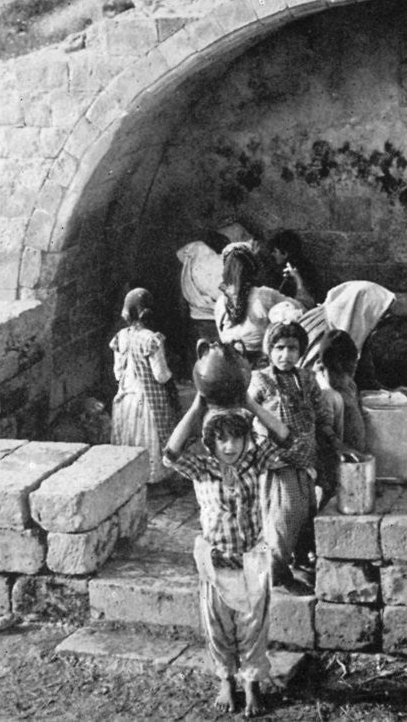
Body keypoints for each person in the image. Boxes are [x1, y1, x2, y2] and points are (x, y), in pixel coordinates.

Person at [163, 392, 291, 718]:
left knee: (253, 625)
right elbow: (170, 453)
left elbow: (284, 437)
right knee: (216, 626)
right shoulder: (202, 470)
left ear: (247, 440)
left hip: (251, 558)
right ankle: (225, 679)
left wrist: (249, 404)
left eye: (237, 438)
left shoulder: (254, 463)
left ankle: (251, 685)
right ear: (210, 443)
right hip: (215, 560)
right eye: (222, 440)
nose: (230, 446)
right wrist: (197, 406)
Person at [249, 318, 355, 592]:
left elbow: (321, 417)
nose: (286, 355)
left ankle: (295, 564)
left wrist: (336, 444)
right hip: (277, 460)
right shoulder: (260, 381)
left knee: (305, 510)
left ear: (301, 351)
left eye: (293, 348)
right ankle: (276, 573)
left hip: (305, 456)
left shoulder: (306, 379)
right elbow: (247, 417)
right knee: (284, 514)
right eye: (280, 348)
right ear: (269, 349)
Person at [109, 288, 180, 484]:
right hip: (148, 399)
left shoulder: (121, 336)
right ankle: (152, 476)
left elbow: (117, 372)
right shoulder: (151, 339)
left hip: (126, 396)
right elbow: (161, 375)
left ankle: (130, 476)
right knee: (149, 436)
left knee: (128, 435)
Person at [215, 242, 300, 368]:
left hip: (233, 367)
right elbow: (301, 308)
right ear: (253, 268)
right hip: (262, 365)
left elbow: (222, 336)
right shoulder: (265, 295)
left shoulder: (221, 302)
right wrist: (298, 280)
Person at [313, 329, 368, 505]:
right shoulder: (325, 394)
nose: (346, 379)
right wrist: (340, 447)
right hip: (333, 458)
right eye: (340, 374)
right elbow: (324, 429)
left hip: (351, 453)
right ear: (325, 368)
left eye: (350, 373)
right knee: (329, 493)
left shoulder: (348, 386)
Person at [176, 230, 231, 355]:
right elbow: (219, 293)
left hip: (197, 318)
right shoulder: (211, 262)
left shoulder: (193, 254)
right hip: (211, 320)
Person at [267, 229, 322, 309]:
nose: (272, 254)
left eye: (275, 252)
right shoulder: (287, 268)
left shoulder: (299, 272)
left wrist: (297, 278)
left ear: (285, 254)